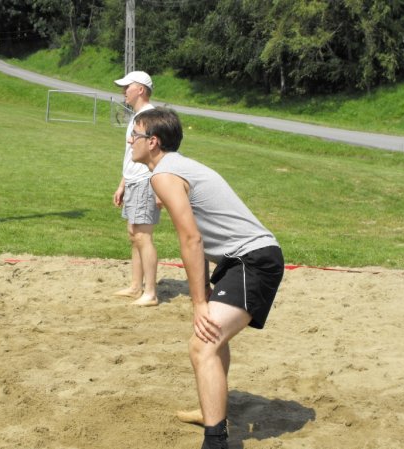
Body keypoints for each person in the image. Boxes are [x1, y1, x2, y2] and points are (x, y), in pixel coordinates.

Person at [129, 108, 285, 449]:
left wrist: (199, 301)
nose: (130, 141)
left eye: (135, 135)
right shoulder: (173, 169)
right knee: (213, 341)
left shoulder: (165, 173)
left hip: (254, 261)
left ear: (153, 142)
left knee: (203, 343)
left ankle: (216, 439)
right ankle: (210, 410)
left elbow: (191, 239)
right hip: (237, 261)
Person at [112, 71, 160, 307]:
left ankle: (150, 292)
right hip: (132, 181)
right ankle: (135, 286)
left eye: (127, 87)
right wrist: (122, 183)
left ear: (140, 89)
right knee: (134, 235)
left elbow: (158, 155)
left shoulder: (150, 117)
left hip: (144, 181)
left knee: (143, 236)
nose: (123, 91)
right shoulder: (137, 116)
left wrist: (158, 187)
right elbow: (131, 154)